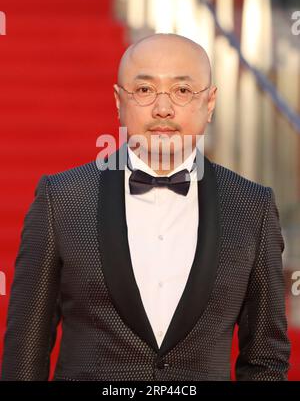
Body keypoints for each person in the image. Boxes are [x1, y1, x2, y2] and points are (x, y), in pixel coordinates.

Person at [1, 33, 290, 381]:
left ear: (210, 103)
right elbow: (25, 352)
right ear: (119, 101)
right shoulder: (61, 198)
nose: (163, 108)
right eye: (144, 90)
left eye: (182, 91)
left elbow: (266, 358)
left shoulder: (251, 207)